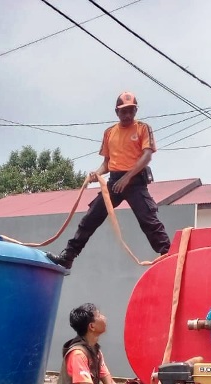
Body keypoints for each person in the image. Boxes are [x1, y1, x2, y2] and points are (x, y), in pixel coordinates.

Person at [46, 92, 171, 269]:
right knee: (90, 218)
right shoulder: (109, 133)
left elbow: (147, 156)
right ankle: (68, 256)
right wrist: (95, 174)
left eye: (131, 111)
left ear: (135, 110)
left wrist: (127, 178)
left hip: (135, 182)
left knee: (148, 220)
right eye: (123, 111)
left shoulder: (143, 128)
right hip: (114, 183)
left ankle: (168, 256)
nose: (127, 115)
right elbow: (107, 163)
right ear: (116, 112)